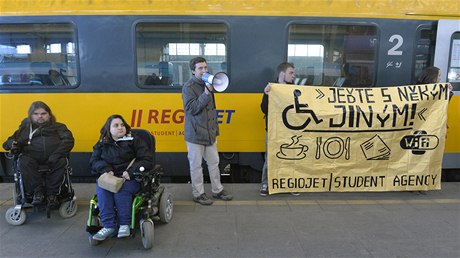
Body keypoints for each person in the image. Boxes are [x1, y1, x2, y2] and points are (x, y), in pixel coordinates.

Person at [90, 114, 153, 241]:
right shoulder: (102, 143)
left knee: (121, 190)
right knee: (103, 190)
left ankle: (125, 224)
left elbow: (147, 159)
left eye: (122, 125)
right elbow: (94, 160)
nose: (120, 127)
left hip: (131, 177)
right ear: (109, 129)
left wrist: (131, 171)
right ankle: (109, 226)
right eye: (116, 125)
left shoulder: (134, 140)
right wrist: (106, 169)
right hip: (110, 177)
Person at [2, 101, 74, 207]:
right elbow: (7, 143)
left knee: (61, 161)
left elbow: (68, 140)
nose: (40, 116)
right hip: (31, 158)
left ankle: (52, 195)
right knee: (23, 162)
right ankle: (37, 193)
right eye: (36, 114)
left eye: (43, 113)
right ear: (31, 115)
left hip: (54, 157)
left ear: (49, 115)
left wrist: (57, 154)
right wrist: (12, 143)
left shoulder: (59, 127)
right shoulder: (25, 129)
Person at [182, 56, 233, 205]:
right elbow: (191, 109)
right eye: (200, 68)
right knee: (196, 165)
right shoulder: (189, 87)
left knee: (214, 163)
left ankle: (217, 190)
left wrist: (215, 129)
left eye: (205, 67)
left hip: (210, 133)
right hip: (195, 134)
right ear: (193, 71)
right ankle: (198, 194)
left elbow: (211, 110)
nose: (204, 70)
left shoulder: (209, 84)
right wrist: (206, 94)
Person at [260, 62, 300, 196]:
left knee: (290, 158)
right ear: (282, 74)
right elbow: (264, 109)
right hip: (273, 130)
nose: (293, 76)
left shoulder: (294, 90)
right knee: (270, 158)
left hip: (289, 130)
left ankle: (290, 184)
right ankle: (266, 184)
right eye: (291, 73)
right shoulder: (271, 88)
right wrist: (266, 94)